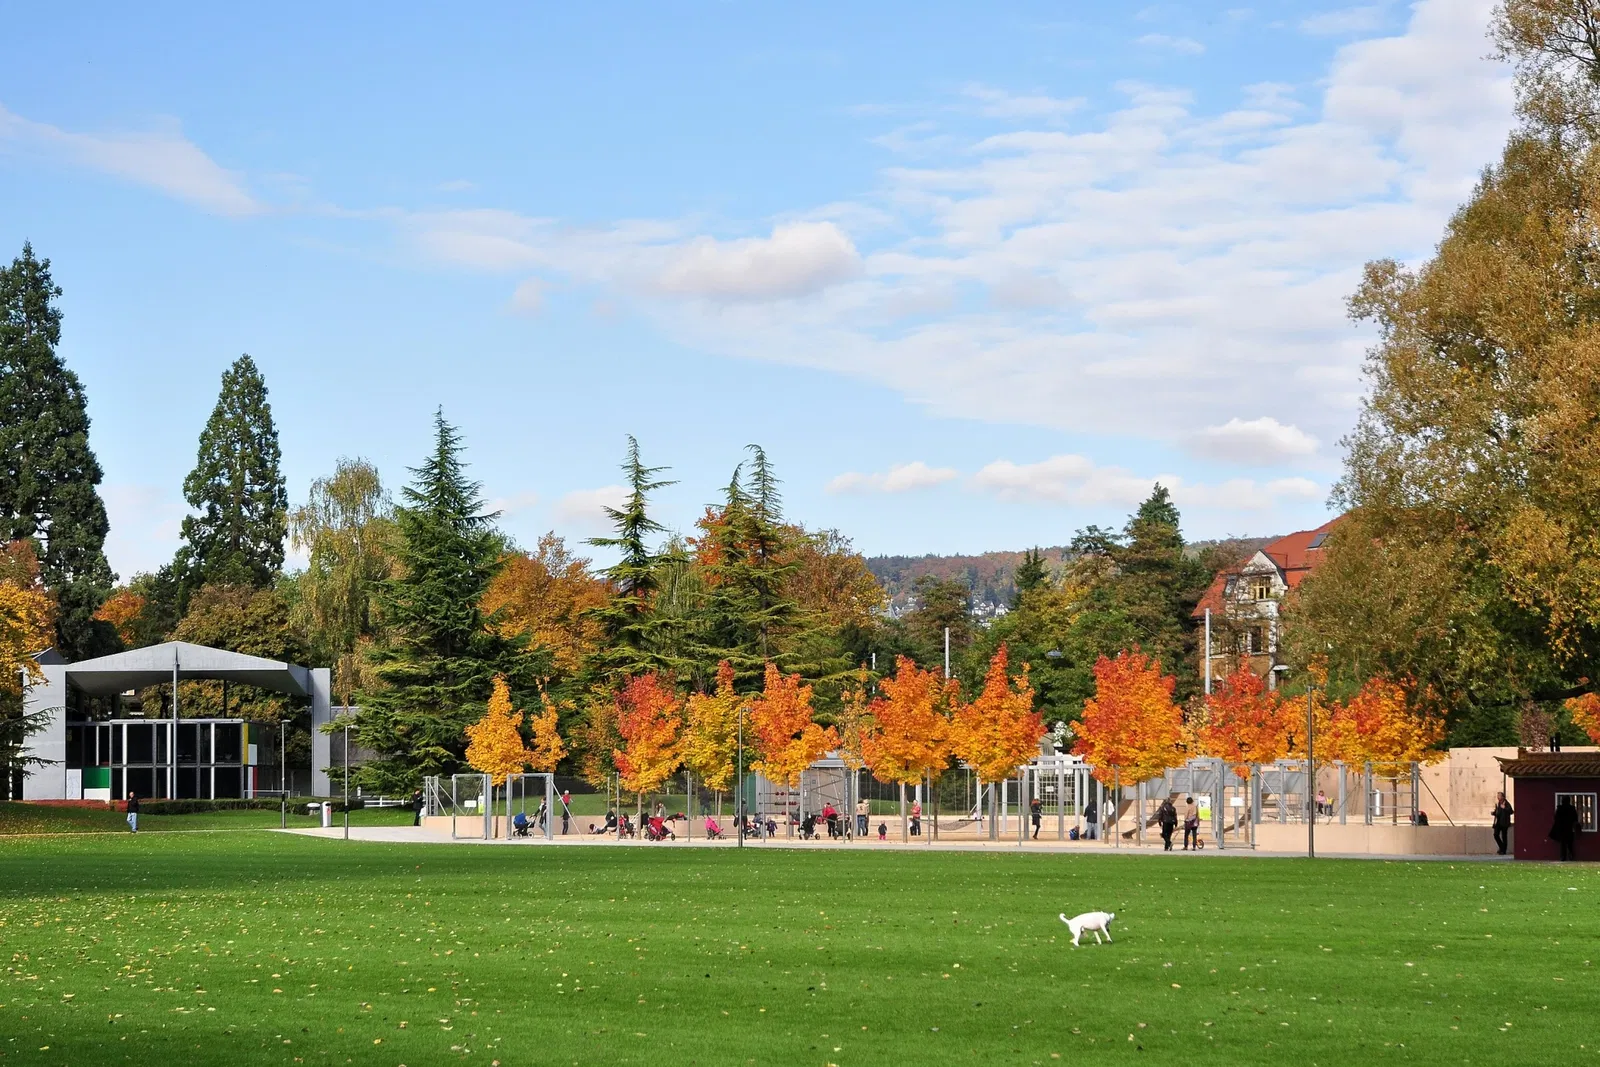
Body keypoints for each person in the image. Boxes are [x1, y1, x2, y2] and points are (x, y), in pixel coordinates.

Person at [1551, 796, 1581, 861]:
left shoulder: (1559, 809)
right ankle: (1571, 856)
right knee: (1570, 844)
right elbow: (1575, 819)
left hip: (1562, 829)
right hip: (1570, 829)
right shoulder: (1572, 809)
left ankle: (1563, 857)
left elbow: (1556, 818)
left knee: (1563, 844)